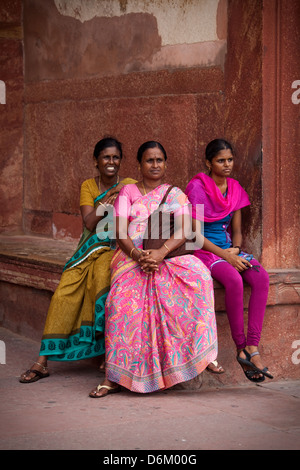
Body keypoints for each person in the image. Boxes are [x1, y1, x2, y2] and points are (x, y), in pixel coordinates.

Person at [89, 140, 218, 397]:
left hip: (167, 255)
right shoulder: (127, 193)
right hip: (131, 258)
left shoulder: (175, 193)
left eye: (159, 160)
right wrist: (138, 255)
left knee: (201, 276)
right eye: (150, 160)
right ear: (139, 164)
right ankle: (114, 377)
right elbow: (119, 230)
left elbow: (184, 230)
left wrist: (160, 253)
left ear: (166, 164)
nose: (155, 165)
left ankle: (202, 353)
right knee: (120, 304)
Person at [20, 137, 136, 383]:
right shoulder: (88, 186)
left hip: (116, 247)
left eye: (116, 157)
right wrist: (110, 198)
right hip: (87, 249)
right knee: (64, 291)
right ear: (96, 160)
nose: (111, 162)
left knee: (102, 282)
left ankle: (109, 354)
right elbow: (90, 222)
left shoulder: (130, 185)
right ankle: (42, 361)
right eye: (106, 157)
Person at [185, 138, 273, 383]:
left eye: (230, 160)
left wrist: (235, 249)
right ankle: (240, 347)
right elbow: (195, 235)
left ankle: (253, 348)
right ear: (208, 162)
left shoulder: (234, 188)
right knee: (234, 280)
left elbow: (237, 231)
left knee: (261, 277)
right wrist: (225, 256)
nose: (226, 165)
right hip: (204, 250)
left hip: (228, 249)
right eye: (220, 161)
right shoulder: (197, 188)